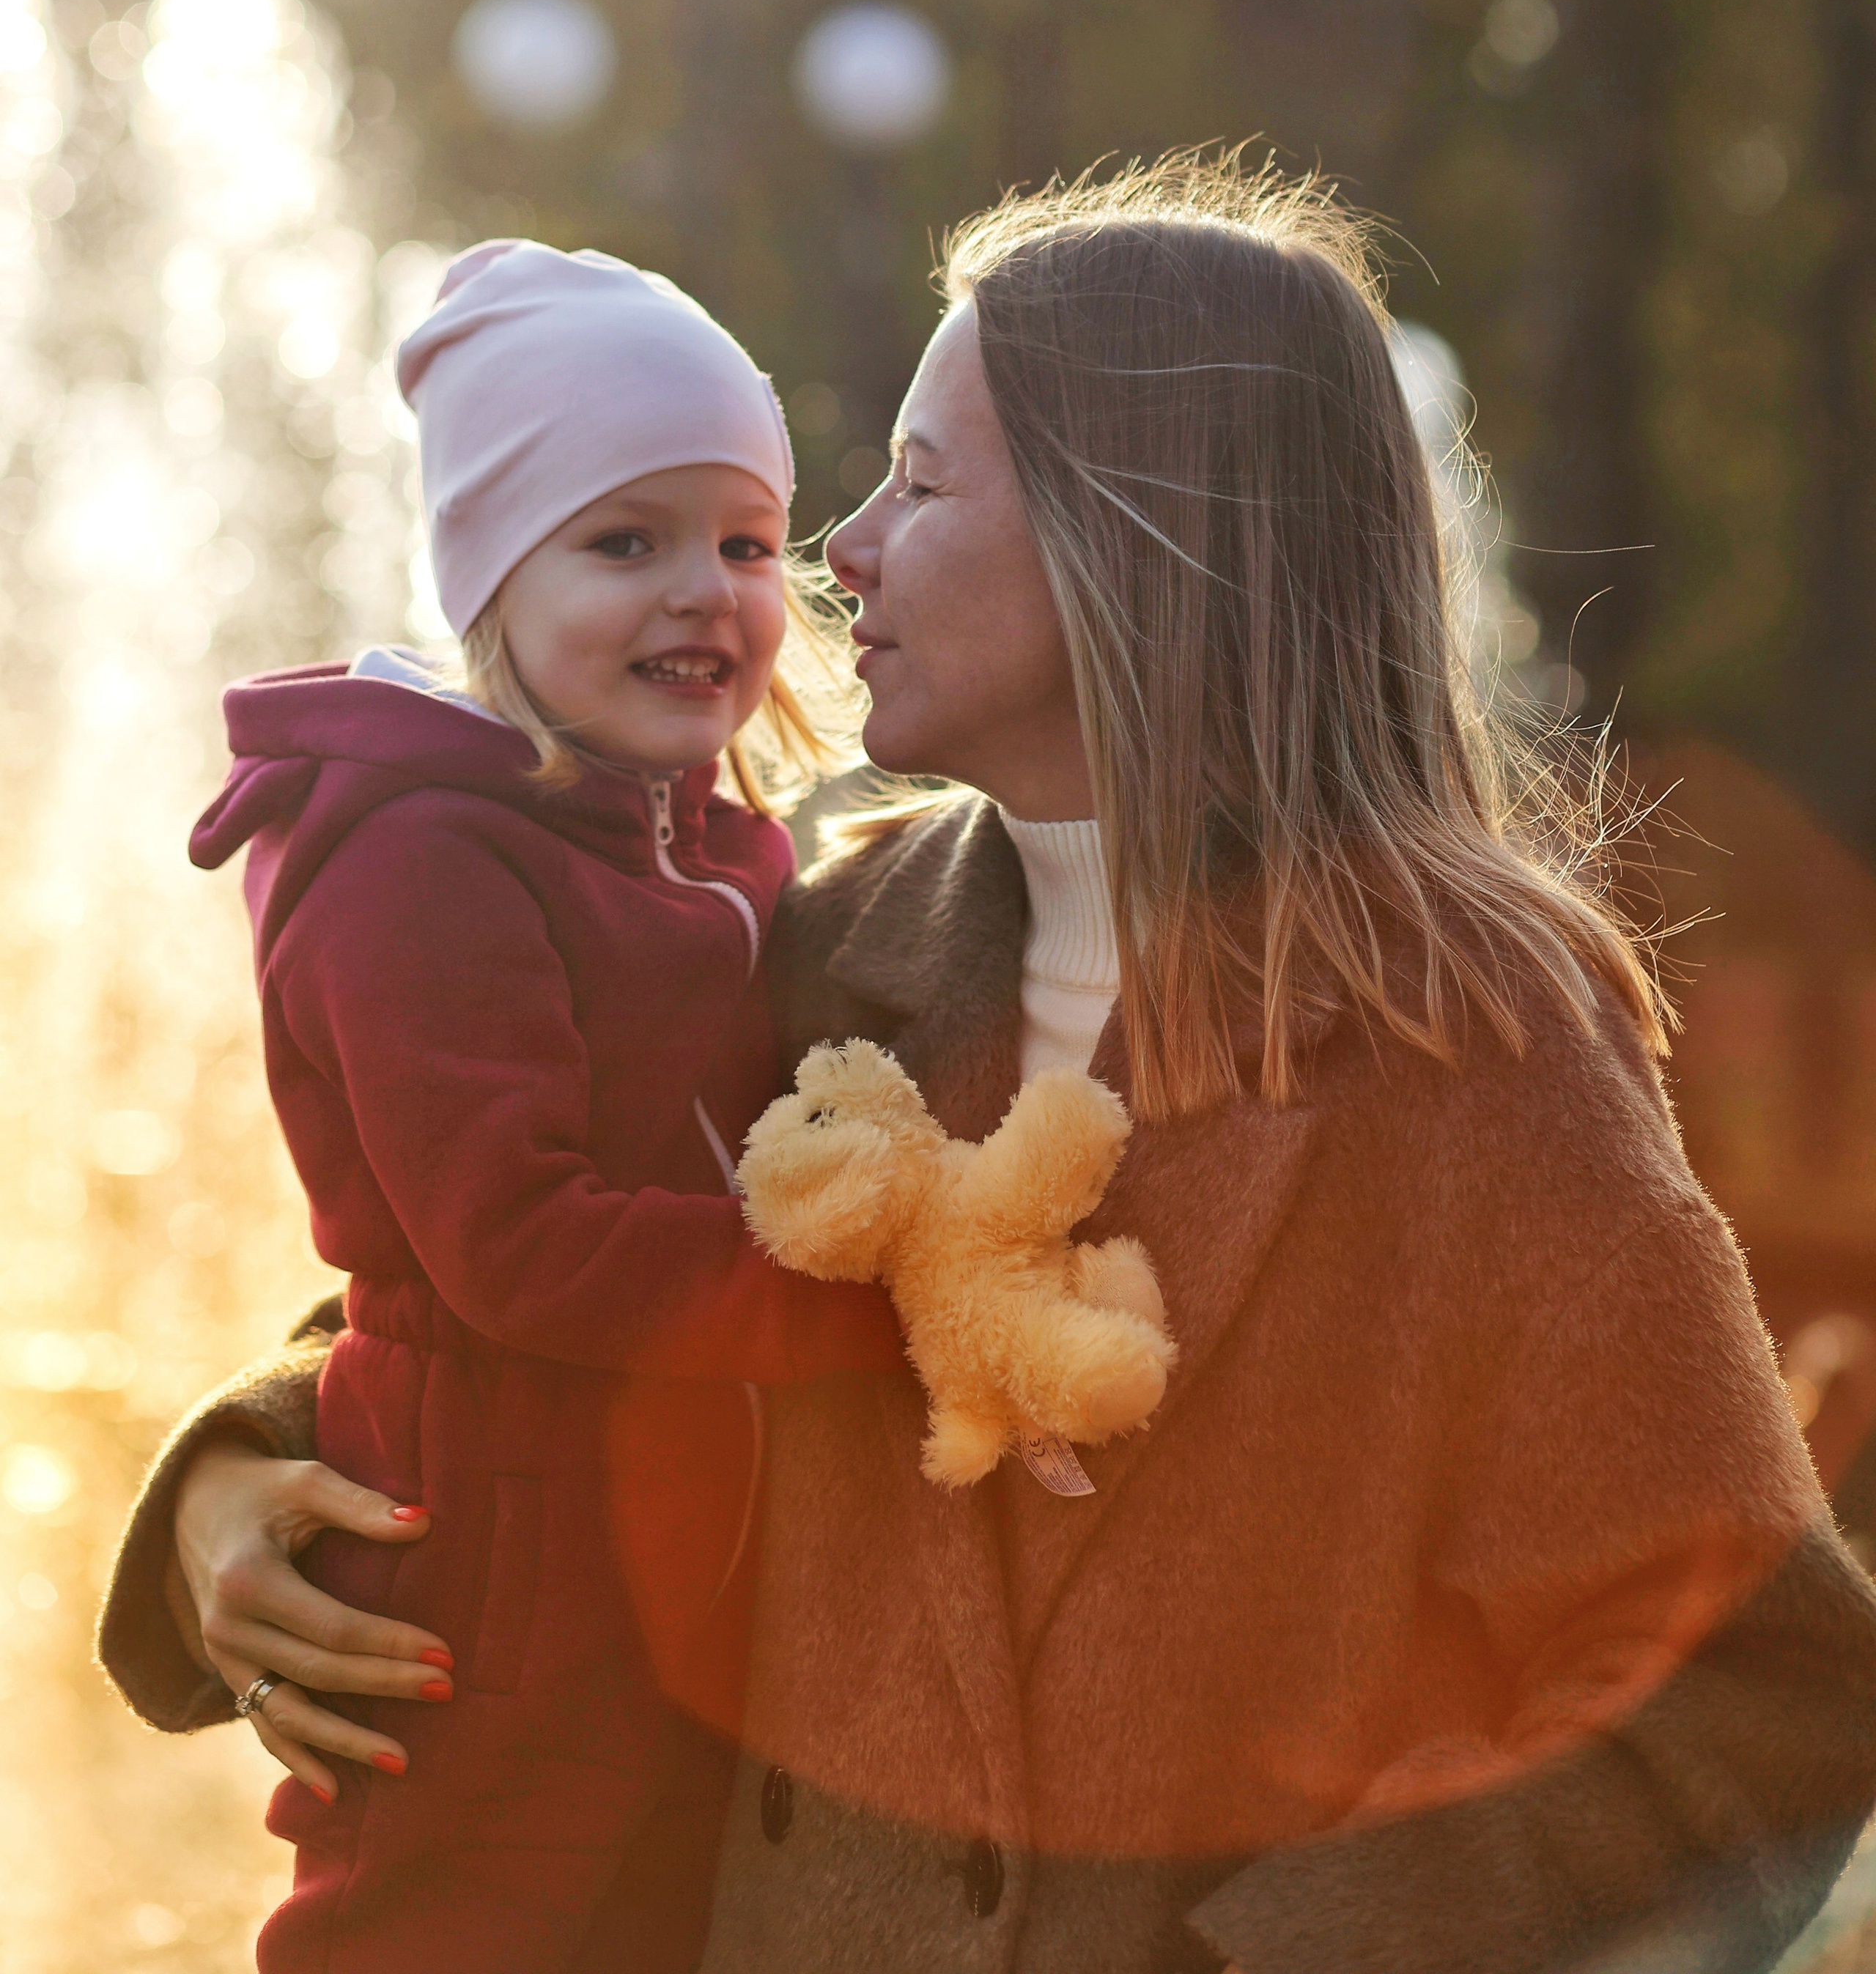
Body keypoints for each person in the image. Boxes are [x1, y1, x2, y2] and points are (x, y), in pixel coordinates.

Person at [101, 159, 1876, 1974]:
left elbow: (1754, 1700)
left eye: (920, 483)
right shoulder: (819, 951)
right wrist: (230, 1483)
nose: (837, 548)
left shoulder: (1470, 1053)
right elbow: (526, 1270)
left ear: (1135, 535)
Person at [163, 240, 917, 1974]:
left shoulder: (698, 838)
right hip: (487, 1544)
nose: (703, 593)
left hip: (647, 1527)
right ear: (490, 576)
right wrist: (877, 1299)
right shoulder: (418, 858)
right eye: (621, 541)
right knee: (445, 1913)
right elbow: (514, 1239)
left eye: (740, 542)